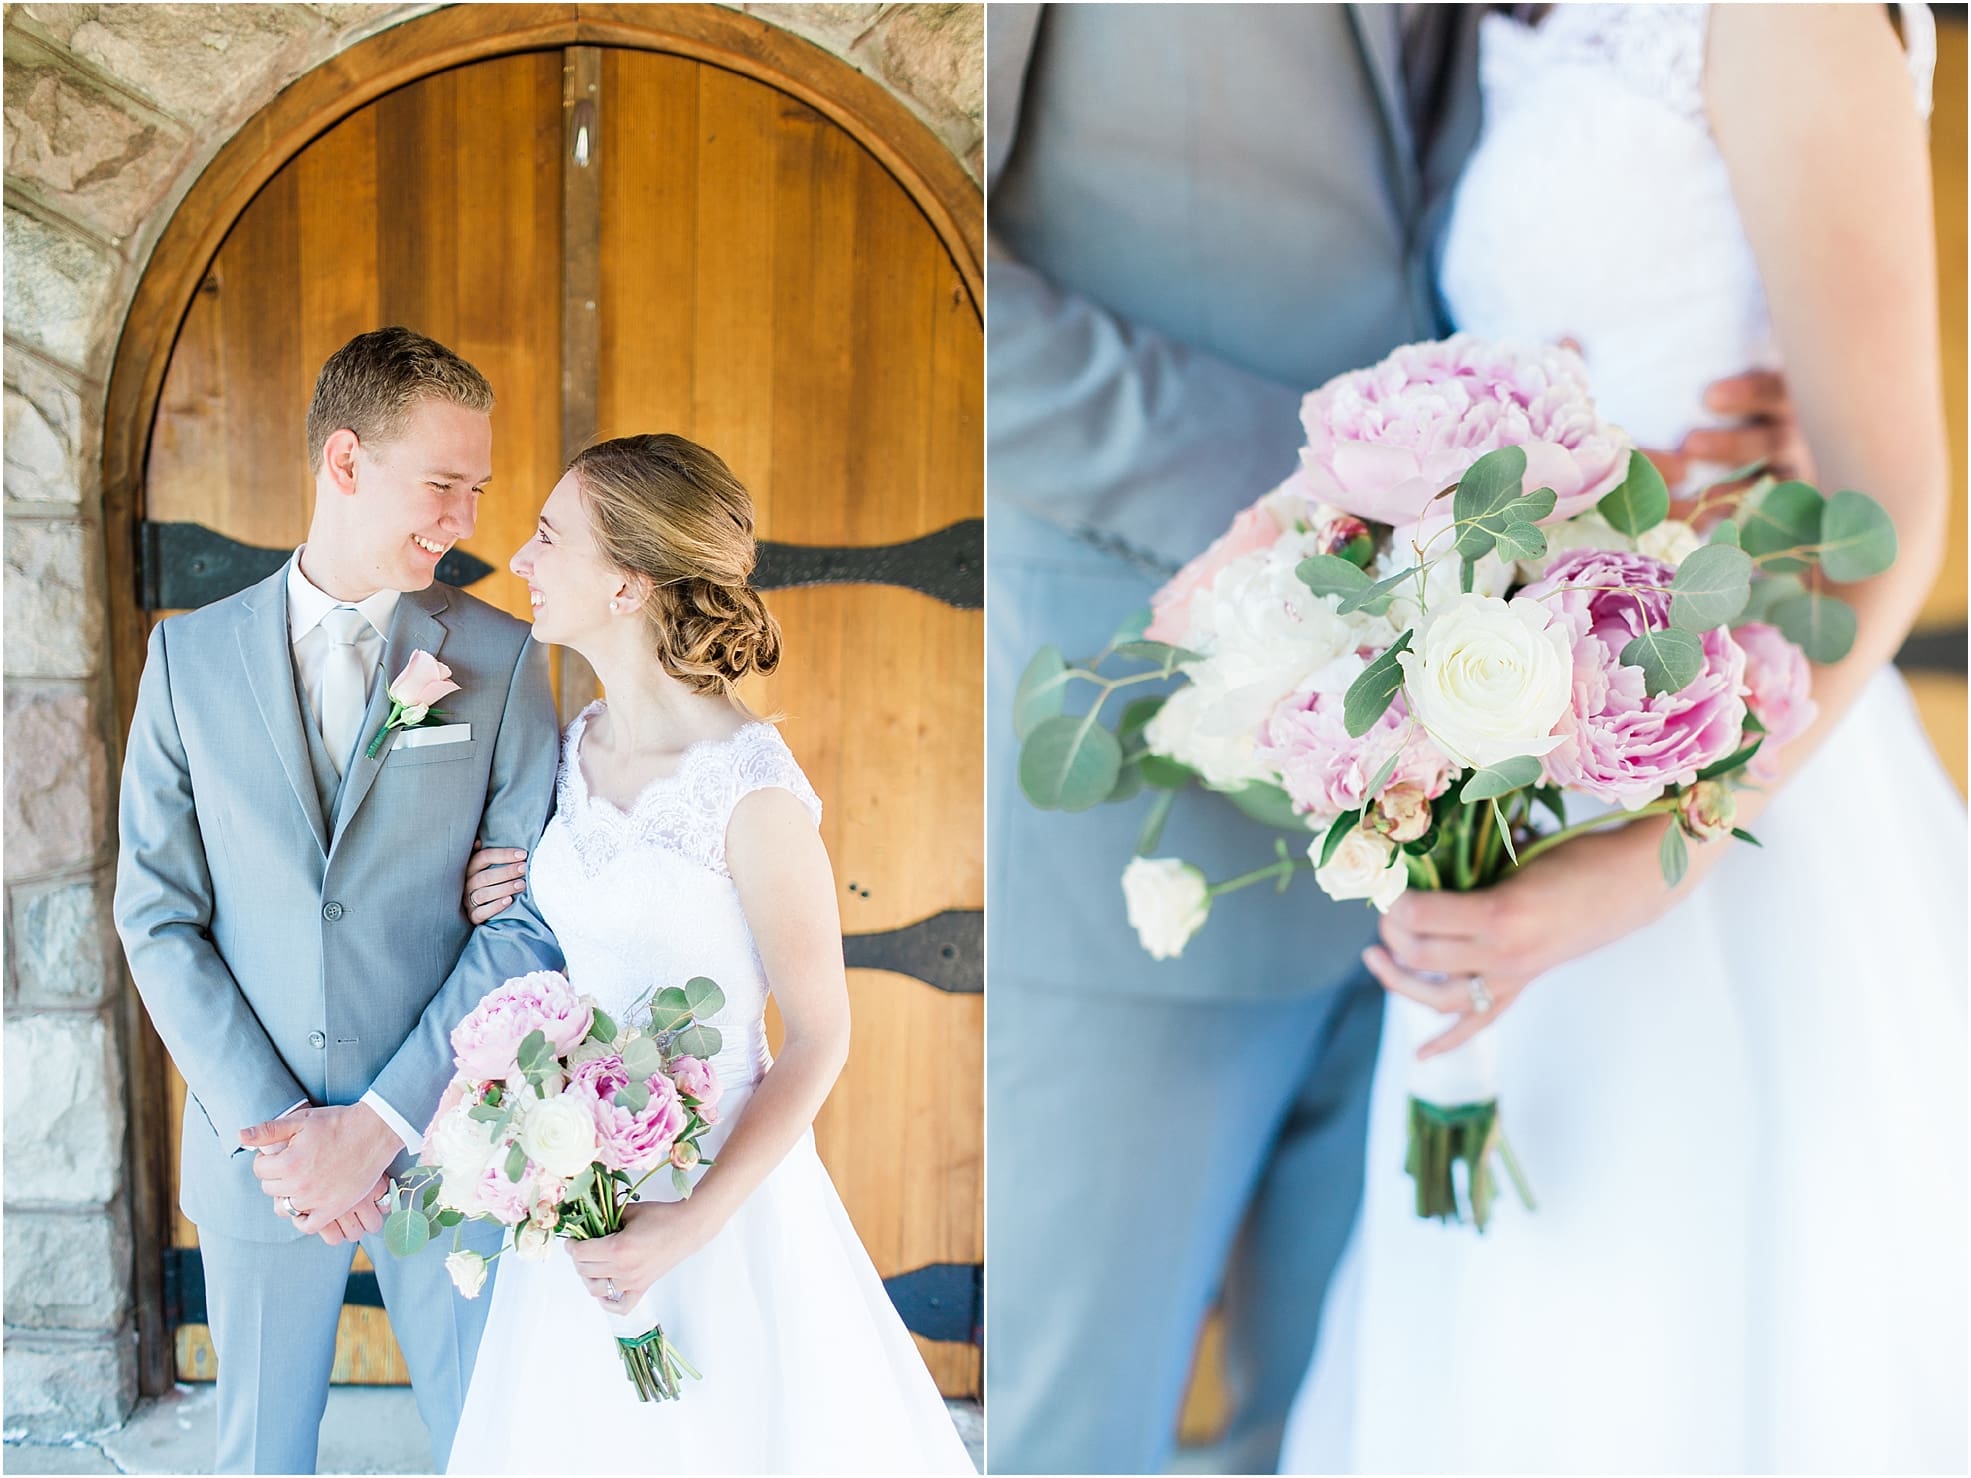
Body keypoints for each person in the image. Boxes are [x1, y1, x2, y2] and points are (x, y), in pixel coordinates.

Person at [984, 6, 1804, 1471]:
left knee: (1357, 1424)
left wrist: (1735, 394)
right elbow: (945, 253)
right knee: (1078, 1432)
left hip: (1488, 805)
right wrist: (1343, 496)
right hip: (1157, 737)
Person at [1284, 6, 1967, 1472]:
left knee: (1681, 1315)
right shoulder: (1510, 22)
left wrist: (1661, 854)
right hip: (1520, 739)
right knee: (1515, 1326)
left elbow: (1892, 508)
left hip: (1724, 771)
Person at [449, 434, 973, 1473]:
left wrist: (685, 1225)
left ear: (629, 583)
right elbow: (565, 947)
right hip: (576, 1183)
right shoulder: (570, 746)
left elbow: (821, 1034)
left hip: (721, 1208)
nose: (520, 557)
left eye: (550, 536)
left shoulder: (753, 791)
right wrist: (489, 899)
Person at [113, 326, 564, 1473]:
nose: (469, 521)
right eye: (445, 485)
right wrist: (280, 1130)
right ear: (348, 462)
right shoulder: (186, 661)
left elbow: (524, 918)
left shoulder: (503, 658)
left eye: (480, 490)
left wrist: (379, 1125)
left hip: (451, 1136)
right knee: (260, 1454)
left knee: (492, 1440)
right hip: (258, 1155)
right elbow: (157, 915)